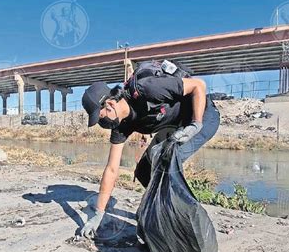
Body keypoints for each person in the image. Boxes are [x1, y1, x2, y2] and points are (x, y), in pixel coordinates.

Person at [80, 71, 220, 239]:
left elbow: (199, 85)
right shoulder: (120, 126)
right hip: (174, 125)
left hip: (202, 115)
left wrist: (196, 124)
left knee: (165, 164)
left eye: (101, 117)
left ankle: (186, 226)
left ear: (109, 104)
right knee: (144, 171)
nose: (102, 123)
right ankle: (157, 213)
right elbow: (111, 169)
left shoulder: (147, 89)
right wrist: (98, 214)